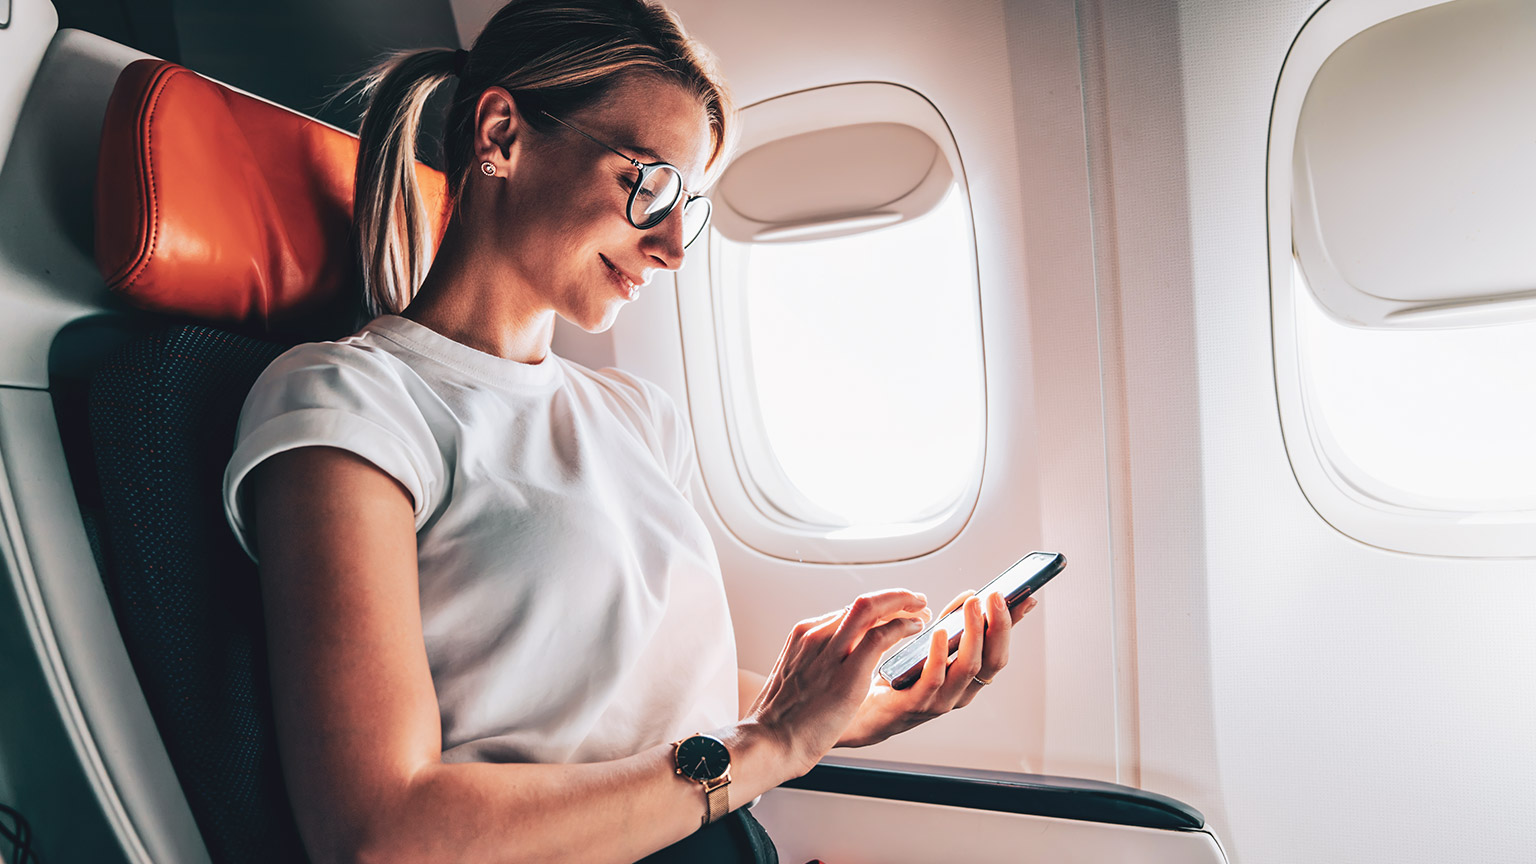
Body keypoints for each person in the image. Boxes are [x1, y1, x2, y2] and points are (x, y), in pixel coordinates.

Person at [220, 1, 1038, 861]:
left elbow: (643, 695)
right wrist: (773, 745)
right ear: (501, 134)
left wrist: (850, 705)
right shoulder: (351, 403)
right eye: (647, 184)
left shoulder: (638, 416)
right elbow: (384, 835)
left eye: (690, 203)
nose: (675, 245)